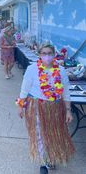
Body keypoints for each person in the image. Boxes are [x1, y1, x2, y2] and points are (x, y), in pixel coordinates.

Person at [16, 43, 74, 174]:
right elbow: (24, 90)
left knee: (53, 133)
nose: (47, 56)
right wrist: (20, 106)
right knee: (40, 133)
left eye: (49, 53)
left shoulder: (61, 70)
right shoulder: (32, 69)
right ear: (39, 55)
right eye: (44, 53)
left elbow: (66, 92)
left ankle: (51, 156)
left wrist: (68, 110)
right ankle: (43, 163)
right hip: (37, 106)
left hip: (56, 107)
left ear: (54, 54)